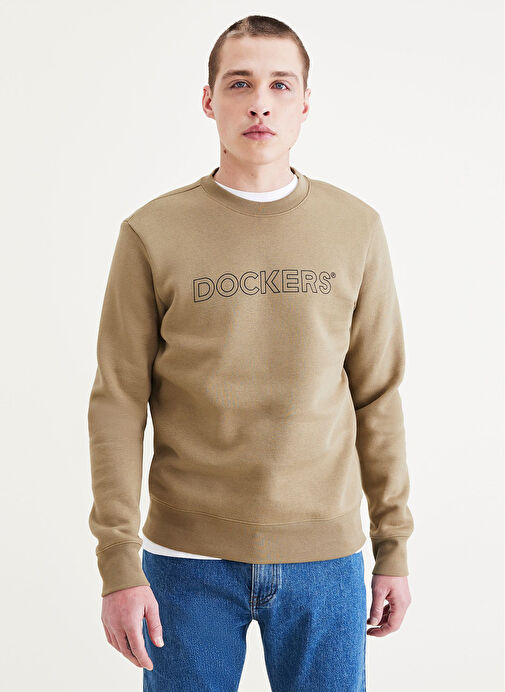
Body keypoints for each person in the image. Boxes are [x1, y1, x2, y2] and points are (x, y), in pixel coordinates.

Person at [87, 14, 414, 691]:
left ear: (304, 104)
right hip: (185, 562)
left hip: (325, 559)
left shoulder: (355, 228)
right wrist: (118, 562)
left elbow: (377, 395)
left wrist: (393, 548)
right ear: (209, 100)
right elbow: (118, 401)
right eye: (239, 83)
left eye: (279, 85)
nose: (260, 102)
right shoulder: (152, 232)